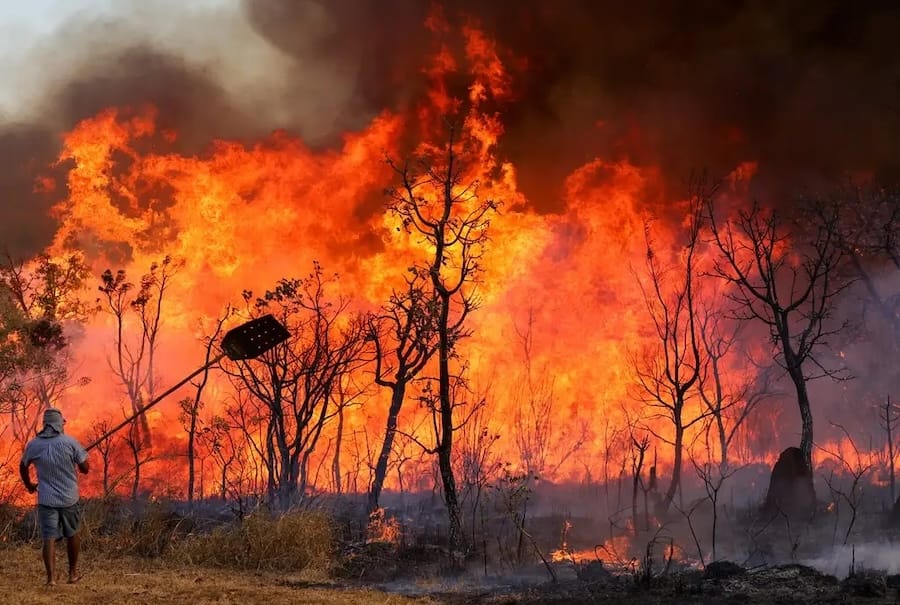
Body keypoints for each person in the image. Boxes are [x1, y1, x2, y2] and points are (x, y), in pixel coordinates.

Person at [19, 407, 90, 586]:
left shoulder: (33, 445)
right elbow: (85, 469)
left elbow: (23, 465)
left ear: (45, 425)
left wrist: (28, 485)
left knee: (49, 537)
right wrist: (77, 458)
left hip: (46, 499)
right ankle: (72, 574)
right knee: (73, 534)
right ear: (60, 424)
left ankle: (51, 579)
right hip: (68, 499)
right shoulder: (70, 442)